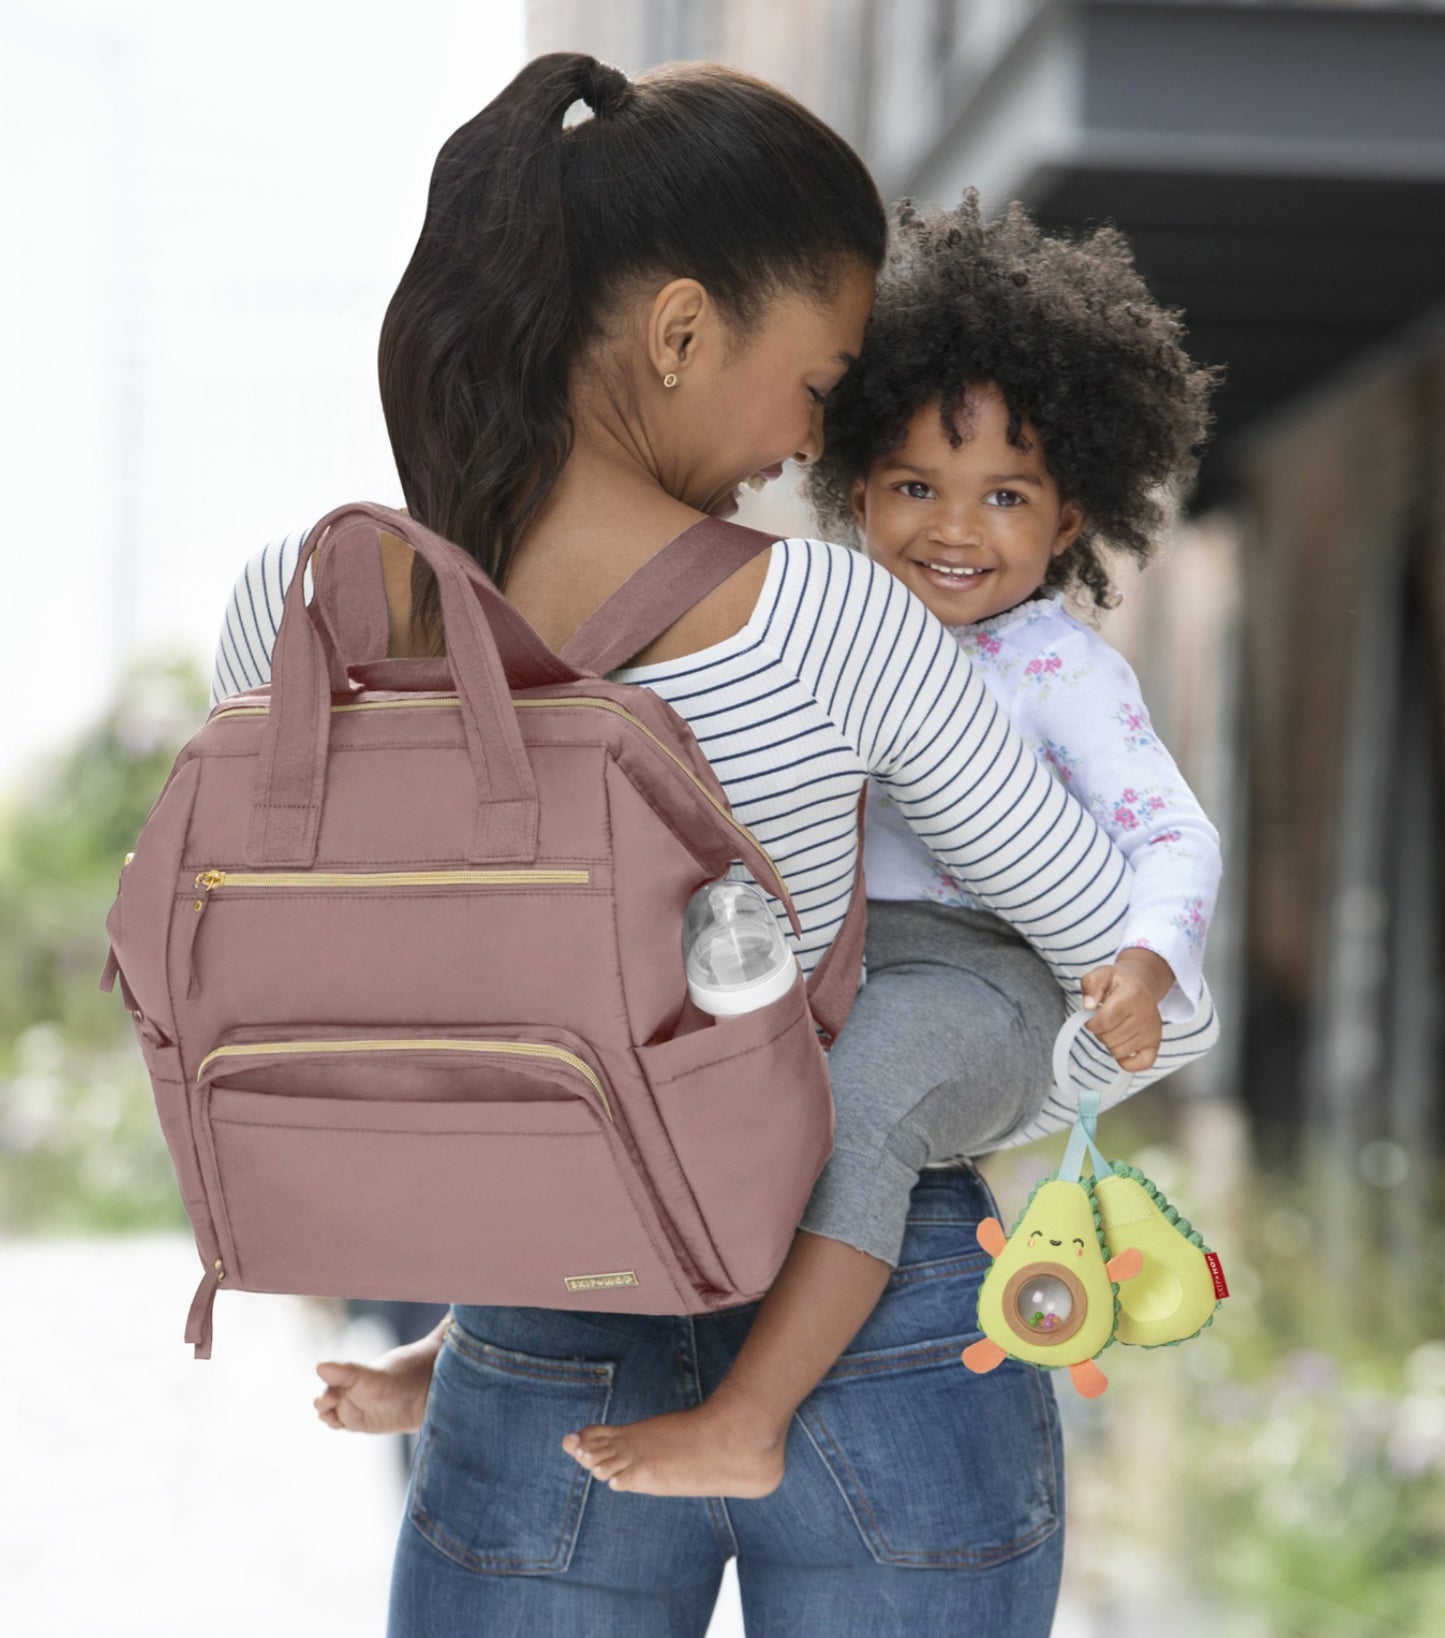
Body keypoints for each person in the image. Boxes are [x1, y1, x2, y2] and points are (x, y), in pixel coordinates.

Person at [208, 52, 1194, 1637]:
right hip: (887, 1338)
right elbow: (1139, 994)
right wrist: (894, 1103)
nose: (804, 448)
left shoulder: (300, 599)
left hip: (536, 1316)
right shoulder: (824, 613)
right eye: (816, 387)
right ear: (680, 331)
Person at [557, 191, 1224, 1498]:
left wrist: (1143, 963)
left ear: (1069, 519)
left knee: (864, 1096)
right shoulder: (819, 627)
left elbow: (1169, 830)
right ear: (850, 486)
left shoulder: (1054, 668)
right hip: (825, 956)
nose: (954, 528)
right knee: (629, 1056)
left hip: (983, 980)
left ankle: (749, 1416)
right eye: (915, 484)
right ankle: (474, 1330)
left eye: (1005, 496)